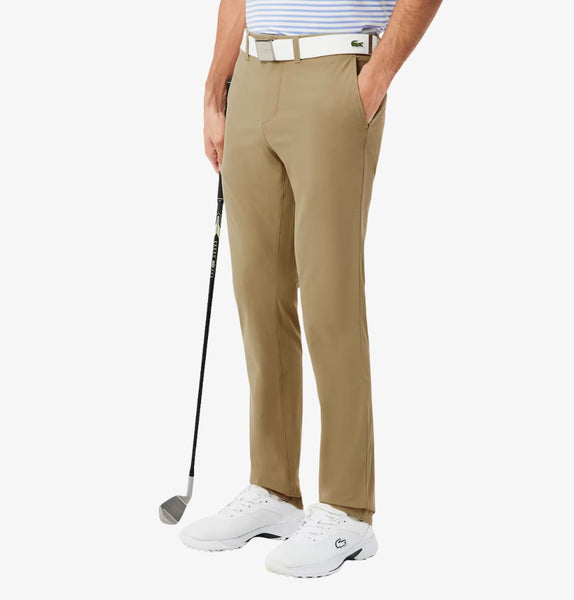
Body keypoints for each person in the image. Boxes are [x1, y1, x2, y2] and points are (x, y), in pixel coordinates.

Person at [180, 0, 442, 577]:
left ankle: (349, 511)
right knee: (257, 296)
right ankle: (273, 490)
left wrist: (374, 80)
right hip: (253, 74)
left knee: (330, 297)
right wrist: (215, 90)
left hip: (336, 74)